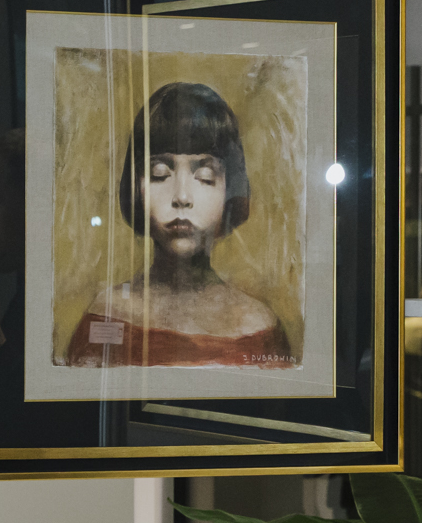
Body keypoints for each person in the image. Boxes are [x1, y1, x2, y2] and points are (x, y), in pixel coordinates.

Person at [64, 80, 293, 368]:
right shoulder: (106, 316)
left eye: (205, 177)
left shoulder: (260, 327)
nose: (182, 197)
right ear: (136, 187)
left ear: (229, 190)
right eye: (160, 174)